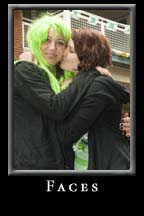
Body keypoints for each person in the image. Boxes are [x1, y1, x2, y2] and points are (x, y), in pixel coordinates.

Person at [15, 24, 130, 170]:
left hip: (108, 164)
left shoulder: (98, 84)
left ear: (85, 58)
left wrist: (88, 73)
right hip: (80, 162)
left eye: (69, 50)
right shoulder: (68, 81)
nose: (62, 53)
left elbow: (65, 134)